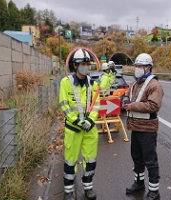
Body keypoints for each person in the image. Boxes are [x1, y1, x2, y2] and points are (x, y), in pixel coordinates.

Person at [59, 48, 100, 200]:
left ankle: (88, 187)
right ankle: (68, 190)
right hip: (73, 130)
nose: (85, 66)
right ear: (75, 65)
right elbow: (64, 104)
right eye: (82, 63)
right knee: (70, 160)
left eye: (87, 63)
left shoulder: (93, 84)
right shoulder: (66, 83)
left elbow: (96, 104)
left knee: (90, 160)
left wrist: (90, 120)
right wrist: (76, 121)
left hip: (89, 129)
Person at [122, 53, 164, 200]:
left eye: (140, 66)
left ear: (148, 68)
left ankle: (154, 191)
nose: (137, 69)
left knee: (150, 160)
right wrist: (125, 100)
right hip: (135, 128)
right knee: (137, 158)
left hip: (147, 130)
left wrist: (131, 105)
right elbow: (126, 95)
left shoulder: (154, 85)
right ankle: (139, 183)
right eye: (136, 66)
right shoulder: (134, 84)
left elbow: (153, 105)